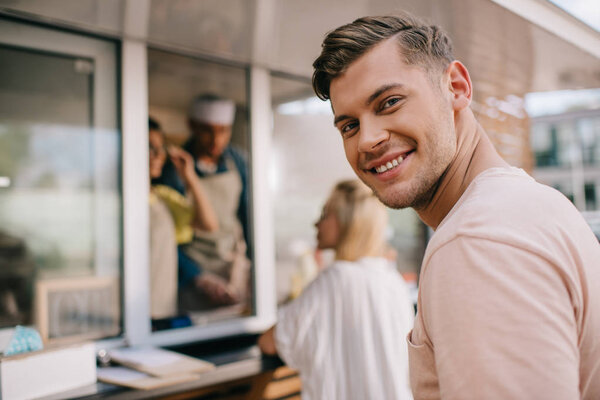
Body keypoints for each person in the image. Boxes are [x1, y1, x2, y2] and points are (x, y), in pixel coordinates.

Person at [311, 13, 600, 400]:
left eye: (389, 102)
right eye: (349, 125)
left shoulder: (476, 241)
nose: (367, 140)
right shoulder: (531, 204)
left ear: (456, 87)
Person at [258, 179, 414, 400]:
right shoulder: (393, 280)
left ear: (348, 221)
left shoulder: (335, 279)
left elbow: (269, 342)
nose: (316, 224)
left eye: (324, 214)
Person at [155, 95, 250, 311]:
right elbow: (167, 237)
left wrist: (254, 267)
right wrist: (197, 277)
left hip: (231, 264)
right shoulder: (174, 169)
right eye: (208, 130)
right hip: (191, 272)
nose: (216, 140)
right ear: (193, 126)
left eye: (224, 130)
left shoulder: (238, 161)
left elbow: (248, 217)